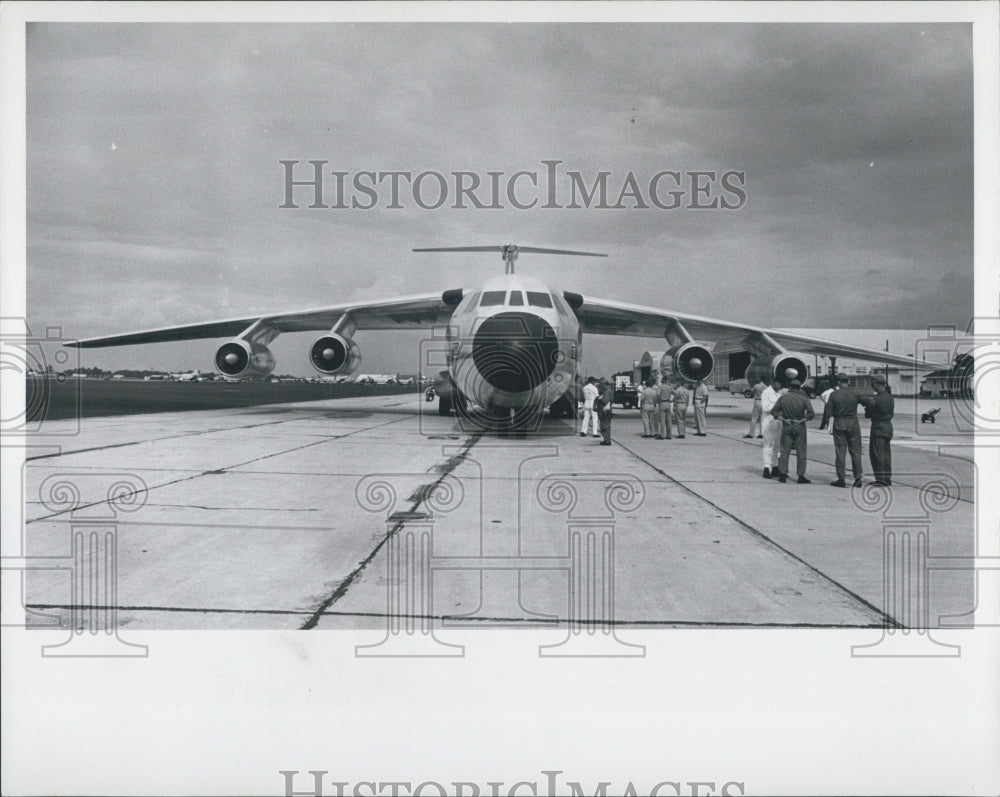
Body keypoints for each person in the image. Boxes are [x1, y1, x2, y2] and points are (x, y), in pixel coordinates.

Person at [819, 373, 866, 488]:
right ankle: (858, 477)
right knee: (856, 451)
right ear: (847, 381)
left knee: (840, 452)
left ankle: (841, 478)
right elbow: (867, 402)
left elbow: (828, 413)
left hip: (839, 422)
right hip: (853, 423)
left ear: (838, 382)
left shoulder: (834, 395)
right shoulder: (854, 393)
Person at [771, 379, 815, 483]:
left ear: (790, 387)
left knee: (784, 450)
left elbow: (774, 411)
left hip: (787, 425)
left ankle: (782, 474)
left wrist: (783, 419)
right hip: (799, 425)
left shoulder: (783, 398)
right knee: (801, 451)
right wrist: (802, 420)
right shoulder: (804, 399)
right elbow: (811, 414)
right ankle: (800, 476)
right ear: (799, 388)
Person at [868, 376, 894, 485]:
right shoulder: (889, 397)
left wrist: (867, 405)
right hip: (888, 425)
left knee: (876, 453)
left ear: (878, 384)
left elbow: (868, 414)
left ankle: (880, 479)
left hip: (878, 426)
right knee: (886, 453)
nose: (872, 387)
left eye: (873, 384)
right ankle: (887, 478)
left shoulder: (877, 399)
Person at [759, 374, 781, 478]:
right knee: (768, 445)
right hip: (768, 422)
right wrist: (778, 407)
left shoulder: (779, 394)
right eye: (780, 383)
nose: (781, 386)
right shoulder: (766, 392)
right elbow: (765, 407)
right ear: (774, 382)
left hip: (778, 422)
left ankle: (775, 467)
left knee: (777, 446)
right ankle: (767, 468)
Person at [595, 378, 614, 446]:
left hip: (606, 411)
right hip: (606, 411)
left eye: (601, 384)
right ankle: (606, 439)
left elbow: (605, 401)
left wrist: (598, 400)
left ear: (605, 384)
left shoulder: (607, 391)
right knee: (604, 426)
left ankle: (607, 440)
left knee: (605, 426)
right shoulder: (607, 391)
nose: (600, 386)